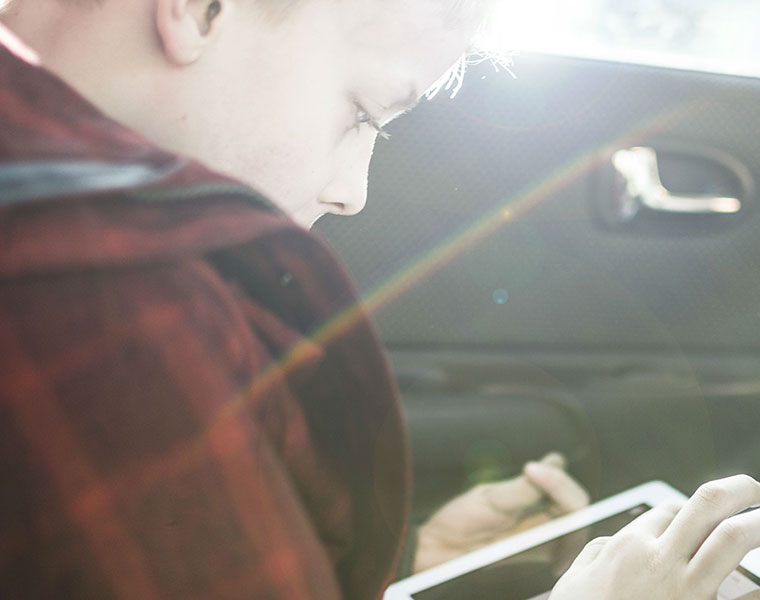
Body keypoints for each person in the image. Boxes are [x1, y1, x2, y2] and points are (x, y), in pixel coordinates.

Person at [0, 0, 758, 599]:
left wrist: (402, 570)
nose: (350, 192)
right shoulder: (117, 314)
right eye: (363, 113)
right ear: (199, 9)